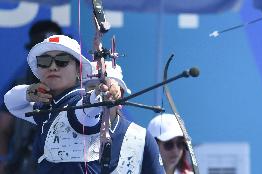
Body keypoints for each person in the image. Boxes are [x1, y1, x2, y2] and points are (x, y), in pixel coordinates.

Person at [4, 34, 164, 174]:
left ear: (79, 71)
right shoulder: (48, 107)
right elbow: (11, 101)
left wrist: (100, 95)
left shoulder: (79, 105)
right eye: (45, 61)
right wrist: (29, 92)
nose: (52, 66)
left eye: (61, 61)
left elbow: (87, 109)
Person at [0, 20, 63, 174]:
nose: (51, 63)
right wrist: (1, 161)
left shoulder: (74, 87)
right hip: (24, 165)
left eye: (57, 54)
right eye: (43, 55)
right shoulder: (18, 86)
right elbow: (3, 128)